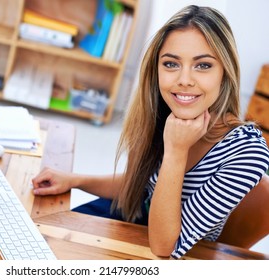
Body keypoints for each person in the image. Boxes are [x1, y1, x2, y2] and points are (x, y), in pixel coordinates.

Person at [32, 5, 269, 259]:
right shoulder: (165, 111)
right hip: (131, 218)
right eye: (171, 64)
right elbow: (141, 188)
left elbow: (164, 246)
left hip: (169, 249)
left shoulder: (248, 152)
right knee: (34, 242)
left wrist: (176, 151)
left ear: (225, 72)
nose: (184, 79)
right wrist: (75, 179)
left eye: (202, 66)